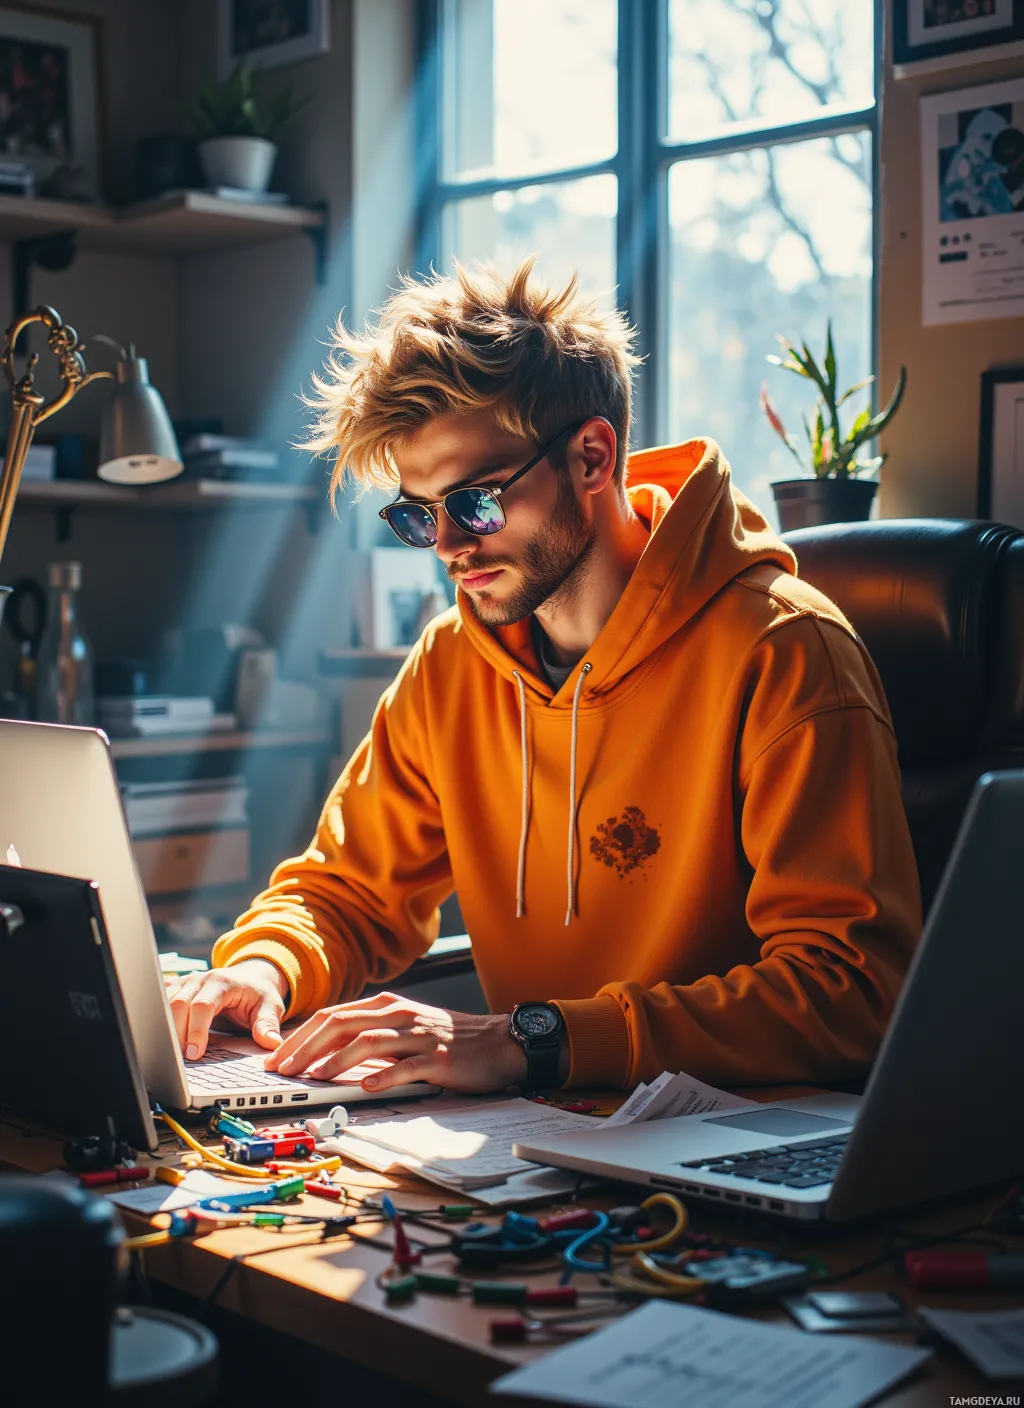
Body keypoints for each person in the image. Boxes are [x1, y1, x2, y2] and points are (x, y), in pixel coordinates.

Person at [167, 258, 921, 1097]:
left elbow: (853, 992)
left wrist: (531, 1038)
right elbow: (349, 892)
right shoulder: (452, 663)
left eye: (477, 502)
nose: (449, 548)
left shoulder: (785, 650)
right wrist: (265, 967)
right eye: (418, 515)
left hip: (730, 1145)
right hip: (537, 1144)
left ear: (592, 456)